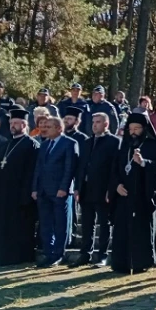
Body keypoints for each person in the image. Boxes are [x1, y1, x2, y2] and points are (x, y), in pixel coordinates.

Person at [0, 107, 40, 266]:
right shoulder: (5, 144)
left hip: (18, 193)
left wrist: (26, 193)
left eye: (16, 123)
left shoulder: (31, 144)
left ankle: (14, 257)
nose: (13, 126)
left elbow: (32, 171)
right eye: (11, 123)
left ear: (24, 125)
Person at [109, 112, 156, 274]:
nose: (133, 132)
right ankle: (121, 263)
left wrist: (143, 163)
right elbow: (114, 169)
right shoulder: (124, 145)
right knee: (121, 229)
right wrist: (116, 185)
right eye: (131, 128)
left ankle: (142, 262)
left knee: (141, 229)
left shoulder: (152, 145)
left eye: (137, 128)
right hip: (123, 195)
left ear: (144, 129)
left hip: (142, 195)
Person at [70, 113, 120, 268]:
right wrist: (78, 187)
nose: (94, 125)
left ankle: (102, 255)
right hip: (86, 188)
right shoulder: (87, 142)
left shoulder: (114, 141)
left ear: (106, 124)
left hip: (103, 189)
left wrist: (110, 190)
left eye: (98, 122)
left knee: (104, 224)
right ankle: (85, 253)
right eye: (93, 122)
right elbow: (81, 166)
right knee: (86, 223)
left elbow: (114, 168)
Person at [31, 117, 79, 267]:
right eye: (45, 126)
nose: (45, 129)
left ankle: (58, 253)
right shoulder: (45, 145)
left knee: (60, 223)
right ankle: (48, 253)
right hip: (43, 191)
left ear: (59, 128)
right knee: (45, 223)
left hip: (60, 191)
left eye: (49, 127)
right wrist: (34, 188)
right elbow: (38, 168)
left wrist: (64, 188)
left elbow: (69, 167)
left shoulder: (70, 143)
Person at [64, 106, 89, 247]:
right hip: (60, 179)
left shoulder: (82, 139)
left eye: (70, 119)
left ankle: (71, 238)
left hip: (75, 179)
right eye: (66, 118)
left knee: (73, 211)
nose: (67, 121)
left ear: (77, 121)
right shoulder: (59, 135)